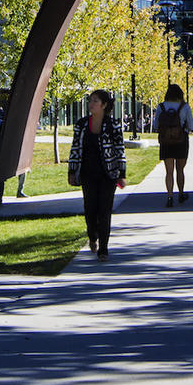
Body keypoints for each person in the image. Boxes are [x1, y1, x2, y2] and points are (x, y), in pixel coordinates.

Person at [68, 89, 126, 262]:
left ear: (104, 105)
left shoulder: (113, 124)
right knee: (90, 209)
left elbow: (120, 150)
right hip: (87, 173)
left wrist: (121, 173)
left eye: (95, 101)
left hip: (108, 174)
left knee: (105, 211)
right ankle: (92, 236)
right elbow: (75, 148)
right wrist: (72, 171)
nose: (91, 104)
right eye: (90, 100)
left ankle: (104, 249)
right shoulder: (82, 124)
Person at [155, 84, 193, 208]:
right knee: (180, 169)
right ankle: (181, 193)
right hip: (181, 140)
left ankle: (169, 196)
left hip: (166, 141)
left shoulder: (161, 106)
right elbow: (191, 125)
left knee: (169, 171)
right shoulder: (184, 106)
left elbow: (156, 125)